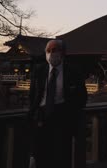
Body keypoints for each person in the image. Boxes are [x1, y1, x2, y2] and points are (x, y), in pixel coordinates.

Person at [28, 39, 87, 168]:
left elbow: (82, 97)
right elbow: (33, 95)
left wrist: (71, 114)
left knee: (62, 156)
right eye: (48, 51)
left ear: (63, 53)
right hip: (41, 117)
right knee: (41, 155)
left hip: (63, 117)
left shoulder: (73, 71)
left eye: (54, 50)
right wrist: (33, 112)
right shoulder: (39, 70)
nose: (51, 54)